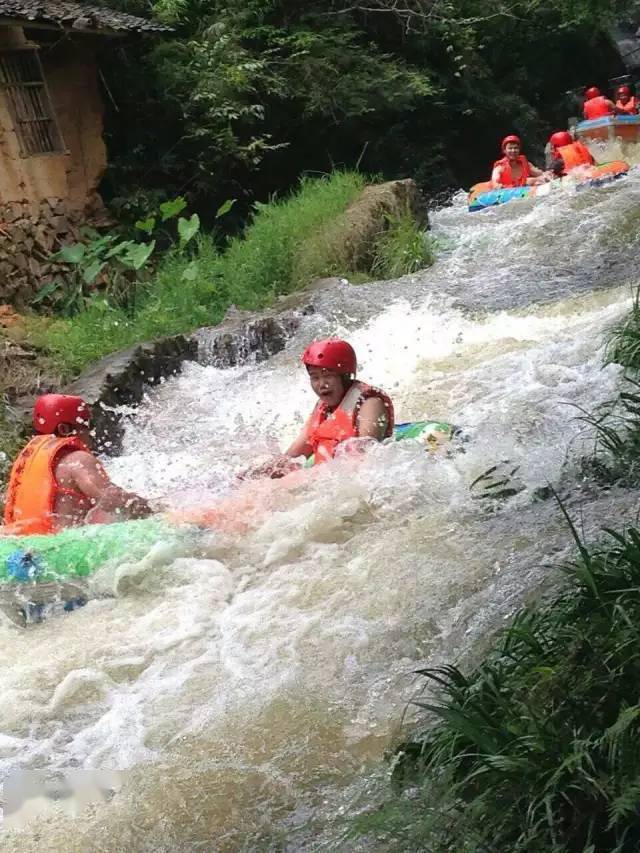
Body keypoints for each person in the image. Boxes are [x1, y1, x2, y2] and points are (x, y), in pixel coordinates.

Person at [3, 394, 152, 535]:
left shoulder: (27, 463)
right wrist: (156, 511)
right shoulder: (77, 460)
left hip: (22, 548)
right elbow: (112, 499)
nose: (90, 431)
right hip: (61, 549)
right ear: (64, 429)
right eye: (86, 424)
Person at [246, 339, 394, 478]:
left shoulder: (370, 403)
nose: (321, 384)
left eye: (327, 376)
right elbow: (293, 455)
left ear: (345, 376)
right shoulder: (323, 408)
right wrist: (261, 473)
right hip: (321, 478)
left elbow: (365, 454)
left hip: (338, 480)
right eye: (315, 377)